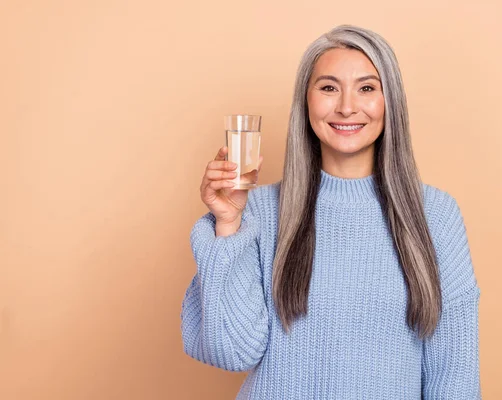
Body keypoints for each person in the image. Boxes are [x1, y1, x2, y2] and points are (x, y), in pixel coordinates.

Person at [181, 24, 482, 399]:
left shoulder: (435, 215)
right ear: (305, 102)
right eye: (328, 87)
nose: (346, 106)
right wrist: (227, 224)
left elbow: (454, 375)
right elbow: (232, 351)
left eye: (367, 88)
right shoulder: (258, 212)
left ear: (391, 102)